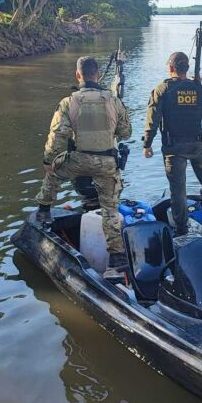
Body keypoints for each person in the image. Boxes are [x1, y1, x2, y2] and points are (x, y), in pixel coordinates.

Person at [36, 56, 131, 255]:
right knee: (110, 209)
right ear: (97, 74)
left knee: (54, 169)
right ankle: (116, 257)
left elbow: (57, 136)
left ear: (78, 75)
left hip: (78, 161)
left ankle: (44, 210)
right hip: (106, 163)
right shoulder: (113, 100)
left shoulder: (68, 102)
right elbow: (125, 132)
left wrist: (48, 161)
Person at [142, 52, 202, 236]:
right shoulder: (198, 88)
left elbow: (153, 119)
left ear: (170, 68)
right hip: (197, 143)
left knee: (178, 191)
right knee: (200, 165)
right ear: (187, 69)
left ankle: (181, 229)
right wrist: (200, 86)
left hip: (175, 148)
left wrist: (147, 144)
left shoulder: (162, 89)